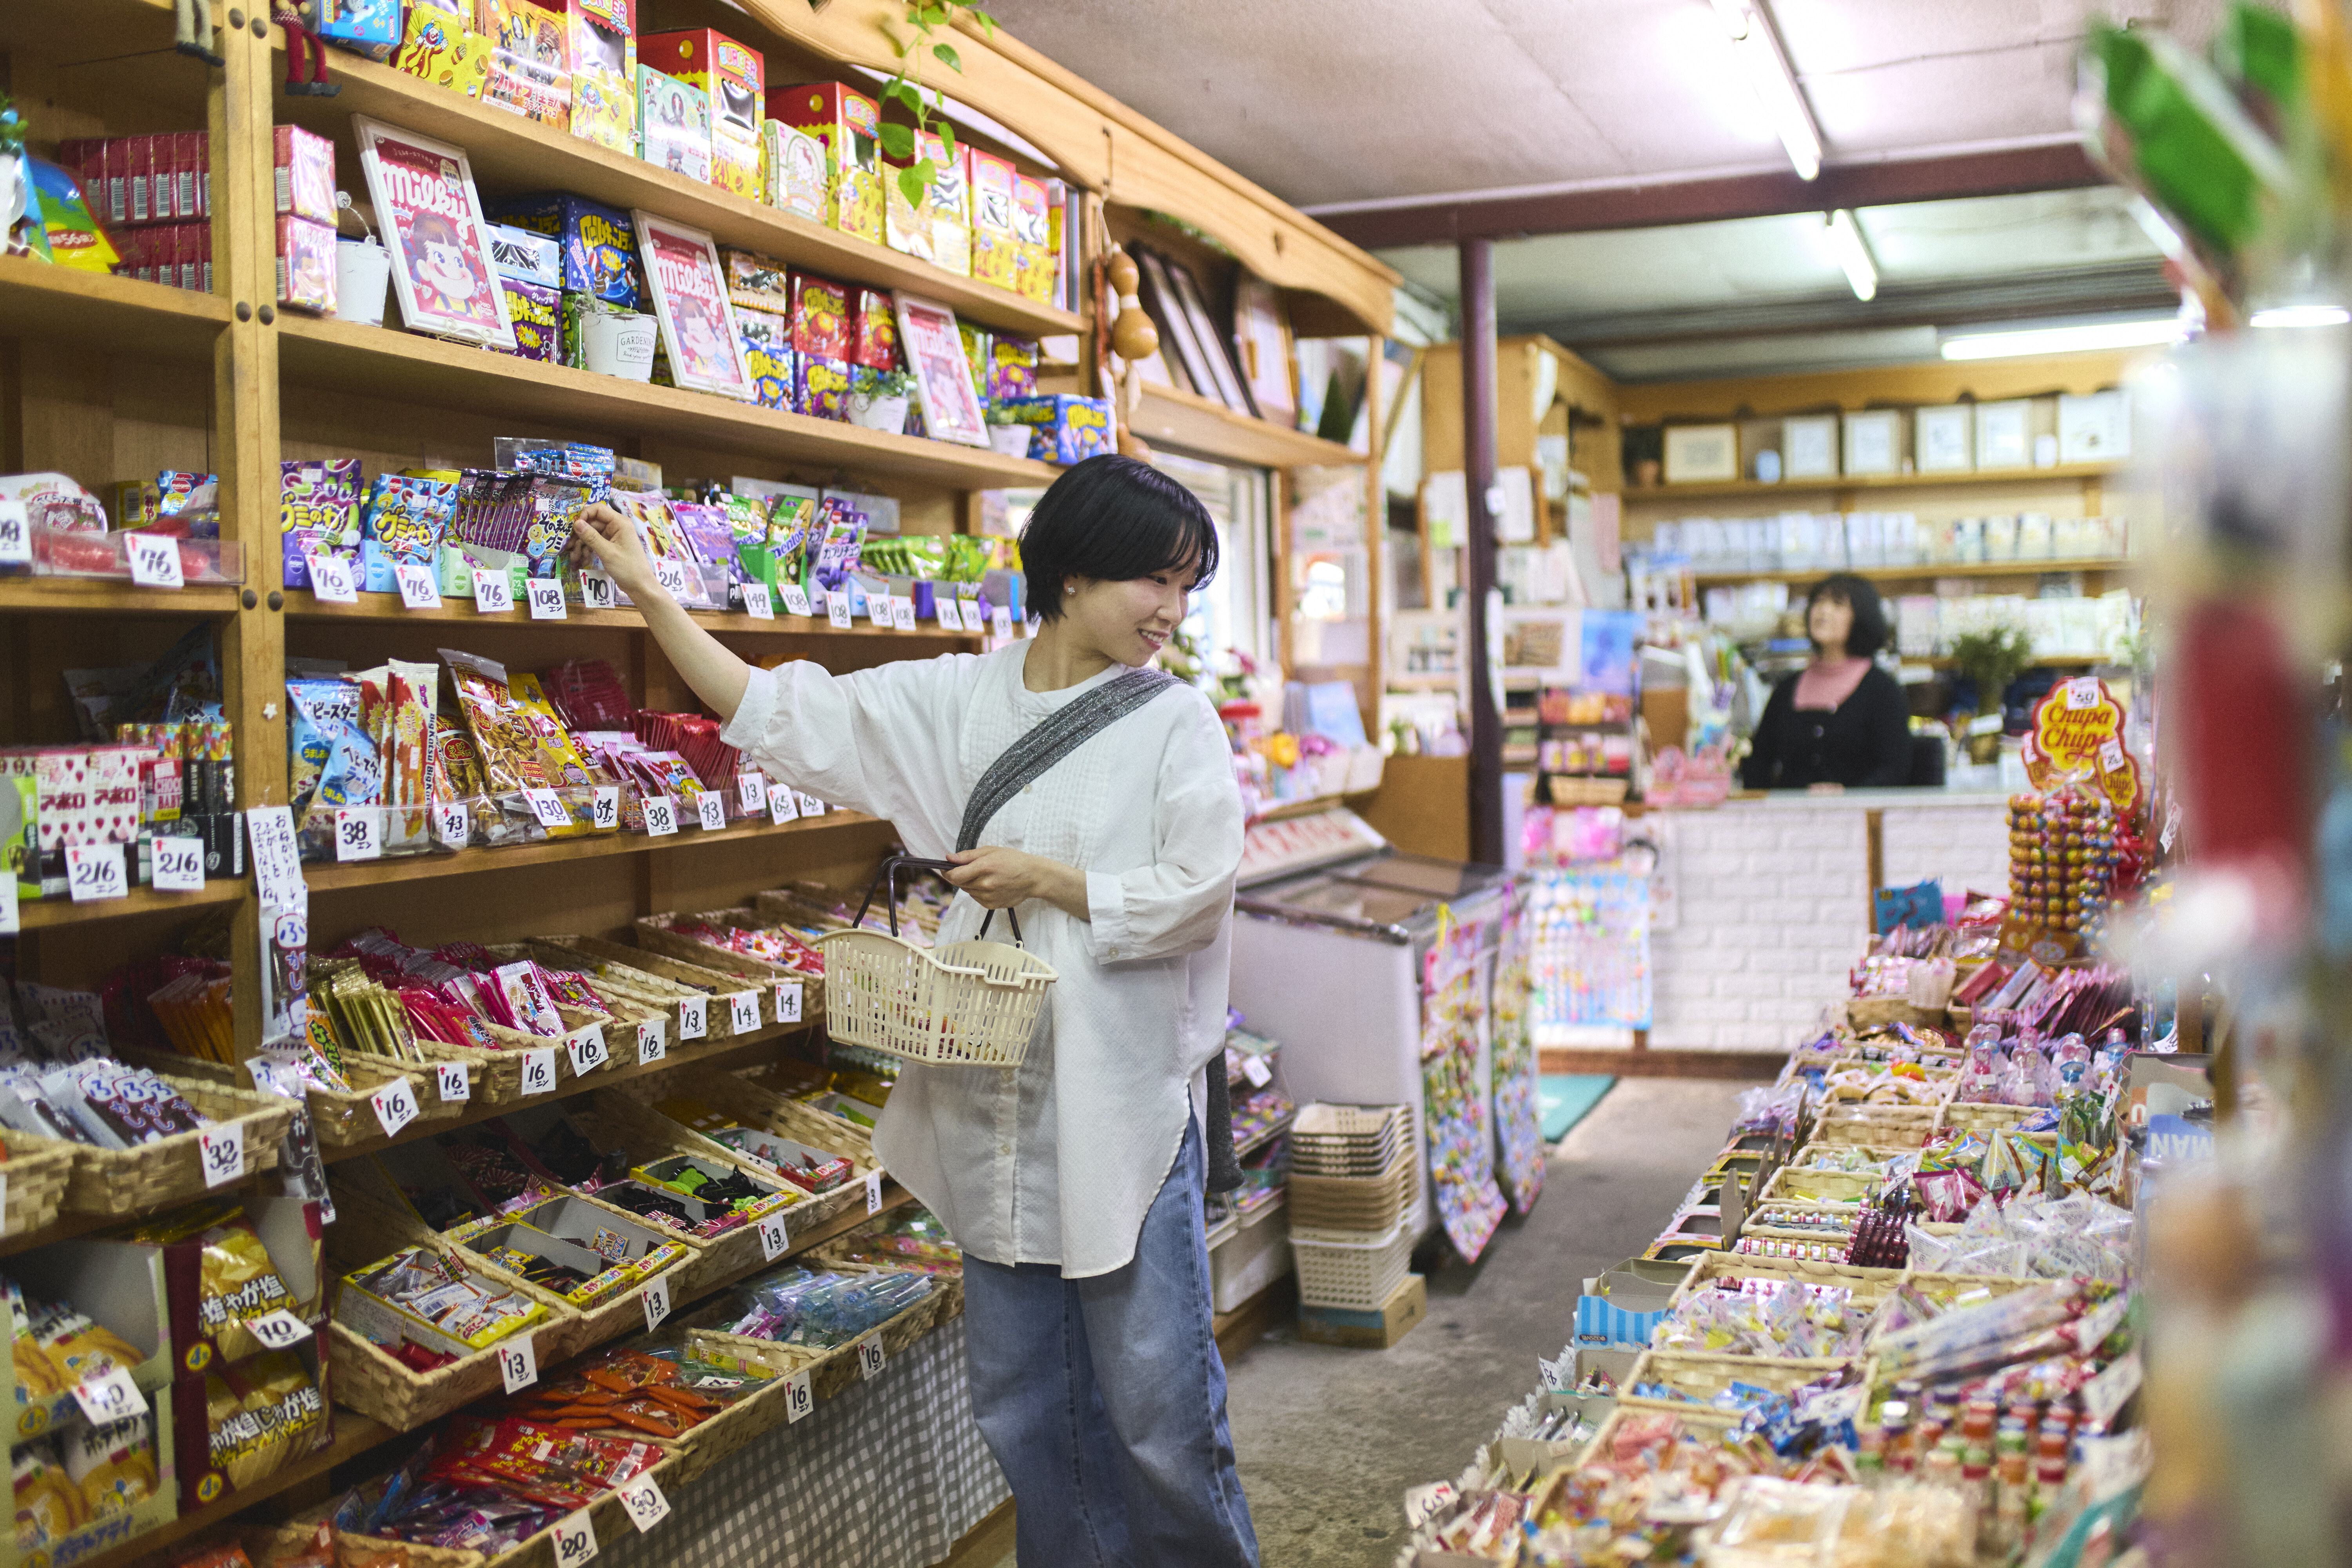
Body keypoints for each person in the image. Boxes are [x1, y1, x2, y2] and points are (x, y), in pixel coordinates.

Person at [569, 454, 1259, 1568]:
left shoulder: (1175, 723)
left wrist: (1052, 881)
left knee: (1161, 1421)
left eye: (1190, 588)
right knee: (1029, 1412)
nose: (1175, 614)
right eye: (1158, 584)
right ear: (1073, 576)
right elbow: (779, 710)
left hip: (1122, 1109)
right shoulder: (955, 697)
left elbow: (1202, 888)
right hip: (988, 1103)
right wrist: (655, 601)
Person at [1739, 573, 1912, 792]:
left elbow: (1895, 769)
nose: (1823, 610)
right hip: (1791, 820)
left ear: (1862, 615)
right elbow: (1759, 763)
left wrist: (1848, 795)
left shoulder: (1883, 691)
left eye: (1838, 604)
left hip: (1858, 819)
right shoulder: (1787, 689)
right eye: (1818, 602)